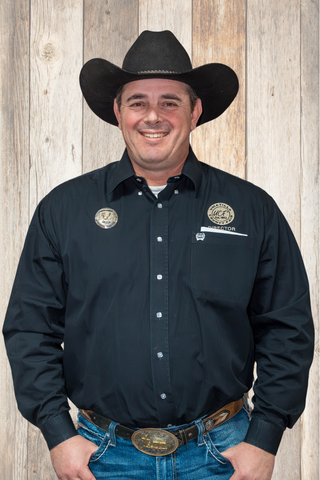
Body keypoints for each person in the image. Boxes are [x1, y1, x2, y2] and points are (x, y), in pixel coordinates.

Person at [3, 30, 314, 480]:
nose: (153, 116)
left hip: (223, 455)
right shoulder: (63, 210)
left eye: (170, 101)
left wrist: (264, 438)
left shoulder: (252, 210)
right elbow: (30, 327)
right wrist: (58, 433)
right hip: (101, 456)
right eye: (137, 102)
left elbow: (288, 327)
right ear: (118, 111)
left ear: (195, 111)